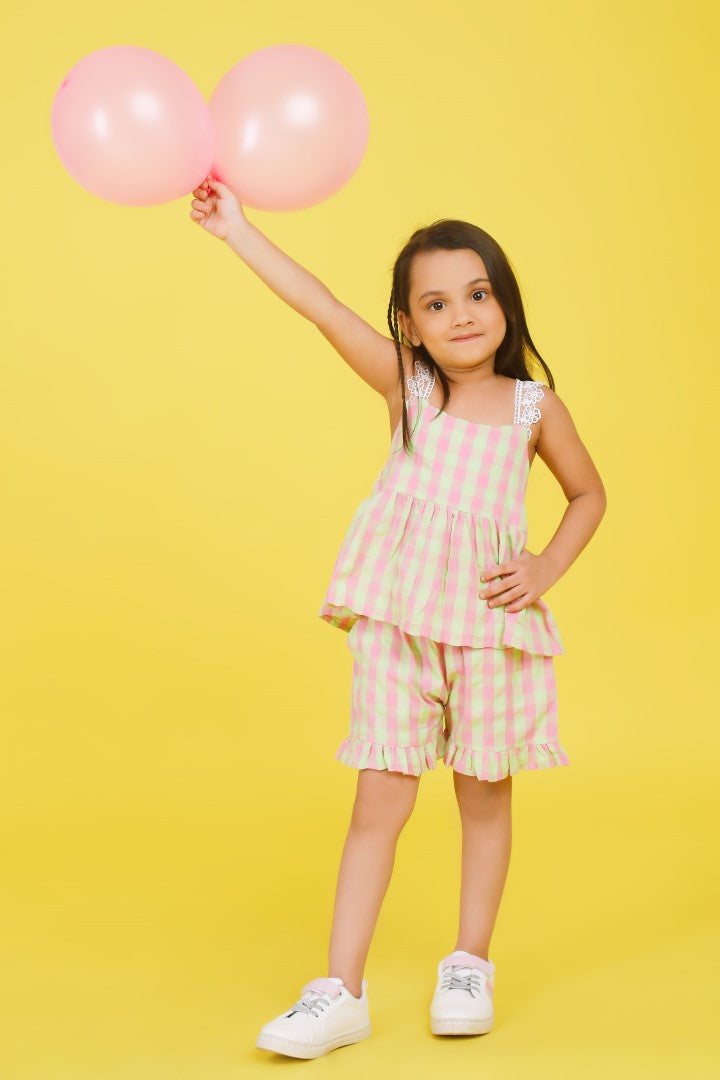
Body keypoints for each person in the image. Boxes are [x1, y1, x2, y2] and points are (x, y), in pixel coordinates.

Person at [189, 176, 607, 1059]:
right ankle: (341, 988)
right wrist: (238, 230)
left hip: (489, 634)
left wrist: (545, 568)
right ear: (410, 325)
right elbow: (323, 308)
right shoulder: (411, 387)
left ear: (505, 302)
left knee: (483, 798)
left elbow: (587, 494)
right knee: (378, 800)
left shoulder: (535, 406)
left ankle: (470, 962)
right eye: (436, 303)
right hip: (400, 623)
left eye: (478, 293)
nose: (462, 315)